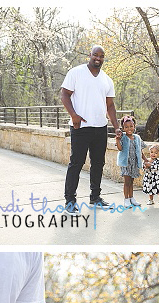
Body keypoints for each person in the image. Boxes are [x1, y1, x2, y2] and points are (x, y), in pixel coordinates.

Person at [60, 45, 119, 213]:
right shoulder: (76, 73)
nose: (98, 58)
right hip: (81, 127)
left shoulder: (107, 79)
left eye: (101, 56)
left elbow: (110, 105)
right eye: (95, 55)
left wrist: (116, 127)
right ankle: (70, 201)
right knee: (76, 164)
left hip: (100, 127)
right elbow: (64, 94)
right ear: (89, 55)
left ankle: (95, 197)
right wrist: (74, 115)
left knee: (98, 163)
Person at [116, 115, 144, 208]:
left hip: (134, 163)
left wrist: (146, 159)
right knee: (127, 182)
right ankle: (126, 199)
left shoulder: (137, 138)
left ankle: (132, 198)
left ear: (134, 126)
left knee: (132, 182)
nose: (129, 128)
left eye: (131, 126)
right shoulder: (123, 137)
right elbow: (120, 148)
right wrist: (117, 140)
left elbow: (140, 150)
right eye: (126, 127)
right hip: (126, 163)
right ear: (123, 128)